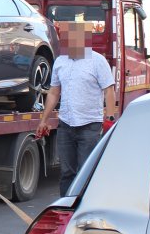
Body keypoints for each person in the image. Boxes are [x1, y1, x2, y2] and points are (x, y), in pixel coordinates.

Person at [39, 22, 118, 194]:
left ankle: (85, 208)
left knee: (86, 172)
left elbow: (109, 90)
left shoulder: (97, 61)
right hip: (66, 125)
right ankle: (66, 208)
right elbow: (54, 92)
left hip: (89, 126)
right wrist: (43, 120)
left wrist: (110, 118)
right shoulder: (60, 62)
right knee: (67, 172)